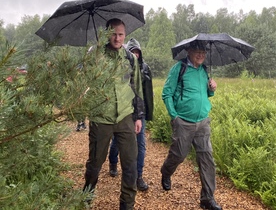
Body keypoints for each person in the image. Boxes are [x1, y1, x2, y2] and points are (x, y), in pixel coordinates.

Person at [83, 18, 144, 210]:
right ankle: (86, 197)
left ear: (125, 35)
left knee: (130, 164)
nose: (117, 38)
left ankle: (127, 204)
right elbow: (85, 77)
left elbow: (137, 87)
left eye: (120, 34)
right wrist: (94, 52)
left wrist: (138, 116)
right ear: (106, 34)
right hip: (101, 116)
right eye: (113, 34)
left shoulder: (130, 58)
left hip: (125, 116)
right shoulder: (96, 55)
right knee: (95, 162)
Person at [160, 40, 222, 210]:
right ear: (188, 51)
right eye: (197, 50)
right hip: (183, 123)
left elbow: (205, 94)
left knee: (207, 158)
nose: (201, 54)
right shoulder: (179, 69)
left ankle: (207, 199)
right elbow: (166, 94)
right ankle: (166, 172)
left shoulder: (203, 71)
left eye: (203, 51)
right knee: (178, 155)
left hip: (203, 122)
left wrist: (212, 89)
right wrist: (175, 117)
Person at [108, 38, 154, 192]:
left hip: (139, 111)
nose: (136, 55)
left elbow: (147, 94)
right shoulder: (122, 66)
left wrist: (146, 113)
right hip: (124, 112)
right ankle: (113, 162)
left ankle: (138, 176)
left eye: (138, 52)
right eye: (133, 52)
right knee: (117, 141)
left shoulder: (146, 68)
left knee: (141, 145)